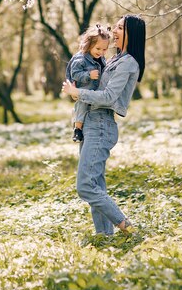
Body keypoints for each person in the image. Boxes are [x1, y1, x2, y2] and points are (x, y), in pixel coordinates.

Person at [62, 14, 146, 237]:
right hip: (90, 123)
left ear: (131, 33)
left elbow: (108, 97)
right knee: (96, 185)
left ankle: (127, 227)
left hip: (101, 125)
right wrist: (79, 92)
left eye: (119, 27)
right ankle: (104, 236)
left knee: (85, 186)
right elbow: (95, 87)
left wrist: (78, 93)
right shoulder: (116, 59)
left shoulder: (129, 63)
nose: (114, 30)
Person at [66, 24, 111, 143]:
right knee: (82, 105)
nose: (101, 52)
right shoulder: (80, 59)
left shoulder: (101, 58)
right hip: (84, 90)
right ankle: (77, 129)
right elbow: (74, 73)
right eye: (98, 49)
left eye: (104, 49)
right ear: (89, 45)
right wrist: (88, 75)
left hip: (96, 93)